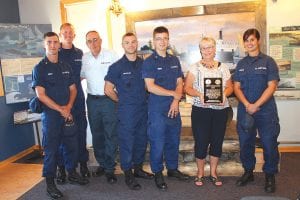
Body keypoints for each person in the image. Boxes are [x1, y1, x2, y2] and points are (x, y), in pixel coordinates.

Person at [32, 32, 88, 200]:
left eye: (55, 42)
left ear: (59, 44)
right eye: (49, 42)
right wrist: (60, 109)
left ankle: (71, 173)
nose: (53, 45)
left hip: (67, 112)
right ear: (45, 45)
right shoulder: (39, 68)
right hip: (51, 116)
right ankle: (50, 183)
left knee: (71, 145)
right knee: (52, 150)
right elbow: (40, 94)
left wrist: (69, 107)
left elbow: (73, 89)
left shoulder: (65, 66)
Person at [142, 26, 190, 190]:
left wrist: (176, 101)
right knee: (158, 142)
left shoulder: (174, 60)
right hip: (157, 109)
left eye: (165, 38)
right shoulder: (149, 62)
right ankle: (157, 172)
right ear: (154, 41)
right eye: (159, 38)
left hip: (173, 108)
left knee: (173, 140)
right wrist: (174, 95)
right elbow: (150, 86)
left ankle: (172, 169)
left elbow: (180, 82)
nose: (162, 42)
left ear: (168, 40)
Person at [104, 32, 154, 190]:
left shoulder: (145, 64)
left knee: (141, 140)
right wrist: (121, 101)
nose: (131, 45)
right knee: (127, 143)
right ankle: (128, 174)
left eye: (133, 42)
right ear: (123, 45)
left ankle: (138, 169)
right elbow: (108, 90)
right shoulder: (116, 67)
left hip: (143, 109)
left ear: (137, 43)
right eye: (127, 42)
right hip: (127, 112)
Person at [233, 28, 280, 193]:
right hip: (245, 110)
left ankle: (269, 175)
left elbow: (272, 86)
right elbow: (236, 87)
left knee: (269, 143)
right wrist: (247, 104)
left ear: (258, 41)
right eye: (246, 41)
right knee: (246, 143)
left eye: (252, 39)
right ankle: (248, 172)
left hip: (266, 111)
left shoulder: (268, 62)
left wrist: (256, 104)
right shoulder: (241, 64)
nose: (249, 43)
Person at [184, 37, 233, 187]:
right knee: (201, 142)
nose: (207, 50)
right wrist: (200, 95)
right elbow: (187, 88)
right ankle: (200, 174)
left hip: (220, 110)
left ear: (215, 48)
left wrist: (224, 94)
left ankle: (213, 173)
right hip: (201, 110)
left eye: (210, 47)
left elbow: (230, 87)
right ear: (200, 50)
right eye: (204, 48)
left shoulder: (223, 67)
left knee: (217, 142)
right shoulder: (194, 67)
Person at [81, 30, 119, 184]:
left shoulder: (111, 55)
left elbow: (119, 75)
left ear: (101, 40)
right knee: (97, 133)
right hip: (92, 100)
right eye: (90, 41)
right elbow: (80, 76)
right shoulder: (84, 58)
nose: (93, 43)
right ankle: (102, 163)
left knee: (110, 133)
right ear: (86, 44)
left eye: (95, 40)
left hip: (108, 100)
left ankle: (110, 168)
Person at [56, 23, 90, 185]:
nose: (68, 35)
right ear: (60, 35)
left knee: (81, 132)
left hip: (78, 100)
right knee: (63, 136)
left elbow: (82, 75)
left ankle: (83, 165)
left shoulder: (79, 53)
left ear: (74, 35)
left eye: (71, 32)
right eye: (65, 32)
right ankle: (62, 168)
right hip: (61, 101)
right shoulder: (56, 53)